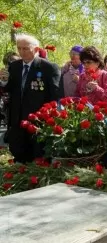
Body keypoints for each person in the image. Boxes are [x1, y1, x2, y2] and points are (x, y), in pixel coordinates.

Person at [6, 34, 61, 163]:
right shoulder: (14, 67)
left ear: (36, 49)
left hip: (38, 121)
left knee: (38, 157)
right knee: (19, 156)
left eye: (25, 48)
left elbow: (55, 95)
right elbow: (10, 89)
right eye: (19, 48)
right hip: (17, 120)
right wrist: (3, 82)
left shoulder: (48, 68)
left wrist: (50, 118)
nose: (21, 52)